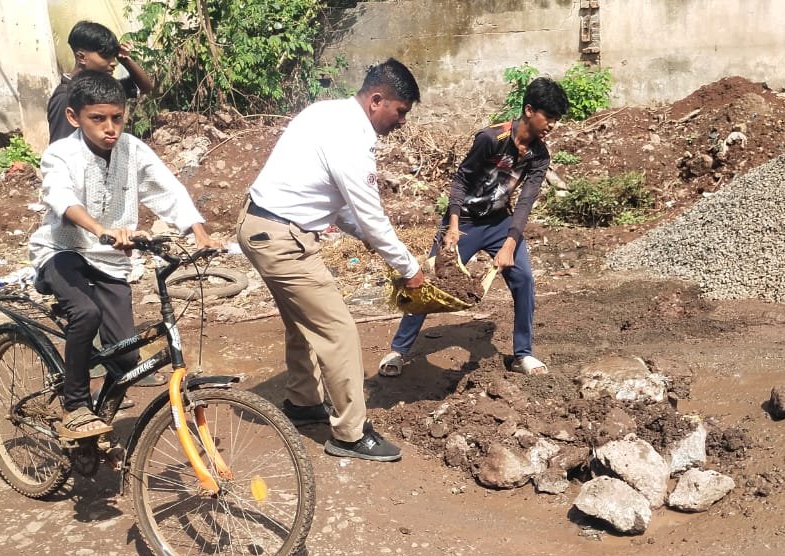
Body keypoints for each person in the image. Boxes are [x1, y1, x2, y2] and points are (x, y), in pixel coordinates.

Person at [237, 58, 425, 463]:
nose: (401, 122)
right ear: (377, 100)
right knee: (338, 331)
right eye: (400, 111)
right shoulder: (351, 137)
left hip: (262, 226)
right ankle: (351, 434)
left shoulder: (327, 113)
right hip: (282, 239)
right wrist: (409, 269)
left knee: (302, 320)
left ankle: (303, 401)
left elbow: (330, 200)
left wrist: (365, 236)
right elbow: (370, 213)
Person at [29, 71, 220, 438]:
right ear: (74, 117)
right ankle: (75, 406)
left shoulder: (132, 149)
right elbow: (61, 198)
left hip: (110, 259)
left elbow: (167, 189)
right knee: (85, 314)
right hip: (62, 250)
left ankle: (99, 422)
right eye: (97, 119)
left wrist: (199, 232)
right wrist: (100, 229)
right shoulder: (60, 154)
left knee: (126, 355)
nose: (109, 128)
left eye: (117, 117)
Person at [378, 77, 569, 378]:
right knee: (429, 282)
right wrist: (452, 226)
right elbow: (461, 180)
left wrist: (509, 245)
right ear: (530, 110)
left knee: (524, 279)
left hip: (499, 222)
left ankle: (522, 354)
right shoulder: (491, 138)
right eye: (549, 117)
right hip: (463, 222)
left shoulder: (539, 156)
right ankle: (399, 350)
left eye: (557, 119)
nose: (553, 125)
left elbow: (525, 203)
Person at [47, 21, 153, 144]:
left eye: (114, 56)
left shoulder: (103, 89)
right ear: (82, 57)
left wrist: (125, 60)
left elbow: (145, 88)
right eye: (106, 56)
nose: (114, 63)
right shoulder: (65, 97)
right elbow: (60, 146)